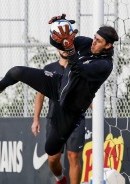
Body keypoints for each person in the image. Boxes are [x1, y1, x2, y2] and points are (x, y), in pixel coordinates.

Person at [0, 14, 118, 157]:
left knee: (51, 149)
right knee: (16, 71)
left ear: (108, 45)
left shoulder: (105, 65)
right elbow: (59, 44)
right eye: (94, 38)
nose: (93, 42)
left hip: (71, 107)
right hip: (57, 84)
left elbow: (79, 71)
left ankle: (64, 140)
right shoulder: (85, 43)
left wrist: (71, 51)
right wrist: (57, 29)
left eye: (98, 41)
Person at [31, 48, 85, 184]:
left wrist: (97, 109)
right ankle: (60, 179)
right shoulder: (49, 69)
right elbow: (40, 96)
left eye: (68, 47)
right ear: (57, 48)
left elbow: (87, 94)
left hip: (75, 119)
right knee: (53, 159)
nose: (65, 50)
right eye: (62, 47)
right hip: (54, 120)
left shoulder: (79, 69)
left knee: (73, 156)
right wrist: (35, 120)